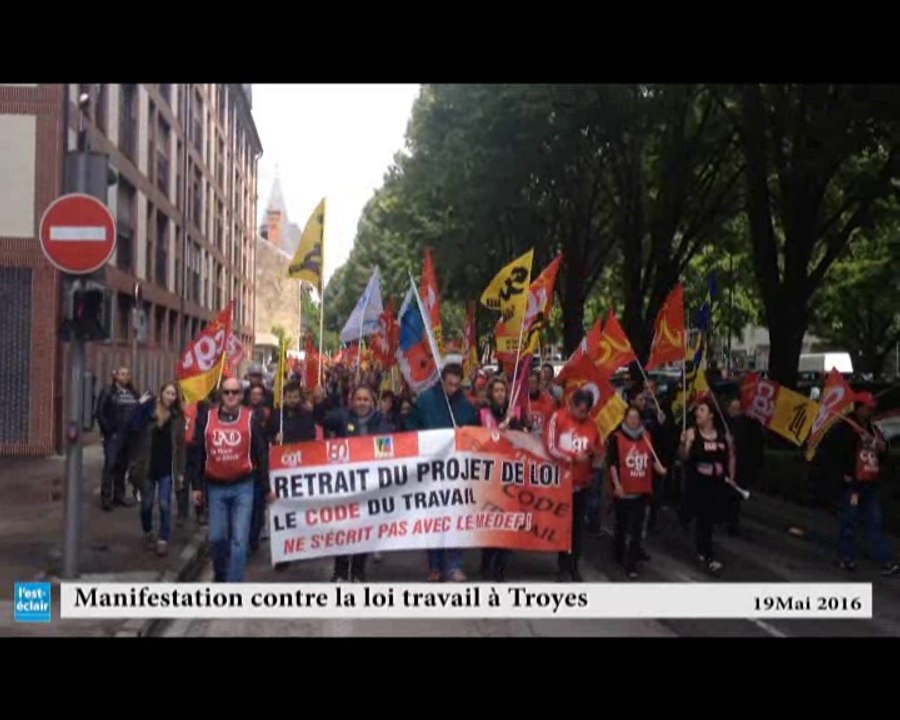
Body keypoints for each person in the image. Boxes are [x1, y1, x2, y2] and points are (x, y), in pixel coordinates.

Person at [188, 377, 272, 582]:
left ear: (242, 396)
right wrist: (196, 486)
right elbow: (198, 453)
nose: (231, 396)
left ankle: (232, 587)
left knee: (239, 541)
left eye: (235, 392)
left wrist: (266, 487)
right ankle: (220, 573)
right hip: (215, 486)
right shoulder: (206, 419)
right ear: (220, 395)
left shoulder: (251, 418)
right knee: (217, 539)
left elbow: (261, 453)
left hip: (243, 486)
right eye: (227, 392)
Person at [407, 363, 478, 582]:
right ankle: (435, 567)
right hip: (431, 470)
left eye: (457, 385)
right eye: (449, 384)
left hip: (456, 472)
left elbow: (474, 434)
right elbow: (411, 427)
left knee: (456, 519)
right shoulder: (426, 400)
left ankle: (454, 565)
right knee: (434, 519)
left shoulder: (466, 406)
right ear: (442, 380)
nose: (453, 388)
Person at [320, 385, 394, 582]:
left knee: (364, 529)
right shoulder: (342, 417)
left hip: (369, 485)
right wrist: (320, 400)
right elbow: (322, 418)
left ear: (372, 402)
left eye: (366, 399)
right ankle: (340, 571)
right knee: (342, 528)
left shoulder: (381, 421)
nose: (362, 403)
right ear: (352, 401)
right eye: (358, 399)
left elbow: (390, 444)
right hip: (345, 485)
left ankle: (358, 571)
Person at [831, 393, 899, 576]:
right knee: (849, 521)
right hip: (852, 484)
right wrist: (845, 475)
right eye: (868, 408)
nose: (870, 412)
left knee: (874, 522)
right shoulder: (845, 428)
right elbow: (837, 453)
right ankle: (846, 556)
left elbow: (883, 451)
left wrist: (882, 449)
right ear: (859, 407)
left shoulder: (873, 429)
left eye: (872, 409)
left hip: (870, 483)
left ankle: (884, 559)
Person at [545, 389, 602, 582]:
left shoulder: (591, 424)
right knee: (563, 527)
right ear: (572, 405)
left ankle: (574, 566)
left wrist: (594, 454)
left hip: (582, 484)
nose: (583, 415)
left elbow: (599, 449)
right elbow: (550, 447)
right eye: (580, 411)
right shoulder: (557, 418)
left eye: (586, 412)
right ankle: (562, 566)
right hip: (561, 484)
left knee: (577, 529)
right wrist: (571, 457)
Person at [607, 406, 666, 578]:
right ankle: (618, 554)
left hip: (641, 491)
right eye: (630, 417)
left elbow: (652, 459)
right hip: (624, 491)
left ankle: (631, 563)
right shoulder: (616, 438)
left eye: (636, 417)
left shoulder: (646, 437)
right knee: (622, 525)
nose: (633, 421)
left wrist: (659, 469)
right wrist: (616, 485)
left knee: (637, 528)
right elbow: (612, 464)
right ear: (625, 419)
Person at [679, 398, 735, 576]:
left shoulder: (722, 435)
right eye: (697, 411)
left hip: (716, 484)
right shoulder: (692, 433)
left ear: (711, 415)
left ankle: (704, 550)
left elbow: (731, 457)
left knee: (709, 521)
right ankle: (708, 554)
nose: (697, 413)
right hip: (698, 485)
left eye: (701, 410)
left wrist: (731, 477)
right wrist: (685, 443)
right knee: (703, 519)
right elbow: (683, 457)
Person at [130, 383, 186, 557]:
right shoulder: (149, 412)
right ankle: (148, 532)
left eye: (173, 394)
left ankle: (163, 538)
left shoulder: (177, 417)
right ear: (161, 394)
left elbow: (181, 446)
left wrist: (181, 471)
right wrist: (139, 405)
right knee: (146, 504)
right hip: (148, 464)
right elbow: (134, 426)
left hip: (167, 466)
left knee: (164, 504)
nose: (170, 397)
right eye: (167, 393)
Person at [478, 377, 524, 582]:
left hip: (509, 473)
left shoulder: (514, 414)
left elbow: (522, 438)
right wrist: (499, 429)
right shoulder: (482, 413)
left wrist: (511, 426)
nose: (499, 394)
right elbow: (476, 437)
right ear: (490, 393)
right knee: (490, 520)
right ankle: (486, 561)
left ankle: (500, 567)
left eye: (502, 391)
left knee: (506, 520)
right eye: (496, 390)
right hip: (488, 474)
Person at [95, 367, 142, 511]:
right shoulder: (108, 392)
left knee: (122, 466)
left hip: (130, 435)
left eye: (127, 374)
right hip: (115, 434)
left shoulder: (133, 393)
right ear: (116, 376)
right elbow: (100, 412)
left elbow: (139, 409)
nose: (125, 377)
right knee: (110, 465)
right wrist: (108, 431)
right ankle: (106, 498)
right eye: (122, 374)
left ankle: (119, 495)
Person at [725, 398, 764, 535]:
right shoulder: (744, 425)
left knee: (732, 496)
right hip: (737, 466)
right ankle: (730, 521)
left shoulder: (741, 426)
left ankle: (730, 521)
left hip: (737, 466)